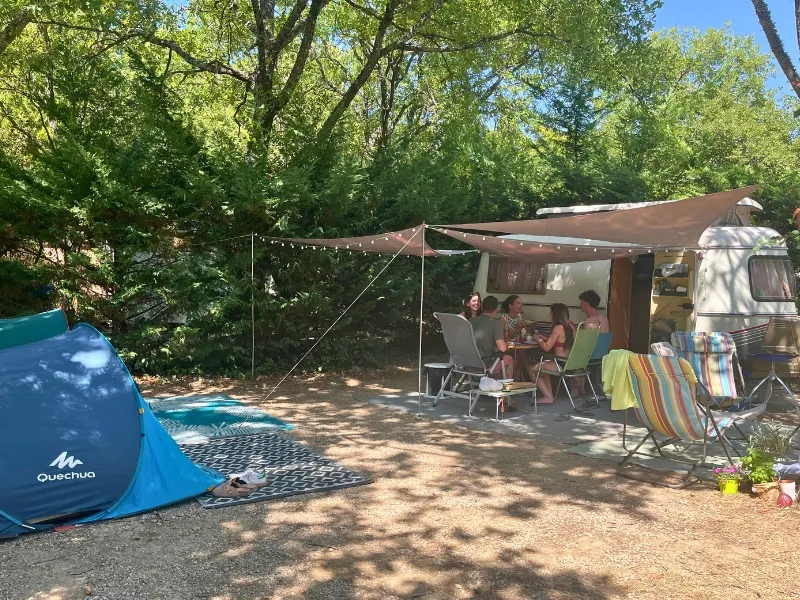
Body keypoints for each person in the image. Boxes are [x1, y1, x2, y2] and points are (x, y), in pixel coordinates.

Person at [470, 295, 517, 411]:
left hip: (468, 363)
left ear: (482, 307)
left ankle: (496, 389)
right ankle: (505, 396)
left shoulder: (471, 321)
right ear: (497, 309)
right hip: (483, 364)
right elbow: (502, 348)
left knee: (497, 358)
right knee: (508, 359)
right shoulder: (494, 323)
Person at [532, 303, 576, 405]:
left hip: (560, 363)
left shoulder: (558, 328)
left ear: (554, 314)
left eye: (550, 313)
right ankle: (549, 395)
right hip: (570, 363)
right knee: (543, 370)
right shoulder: (570, 325)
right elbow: (564, 340)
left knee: (532, 369)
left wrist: (538, 339)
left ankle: (548, 397)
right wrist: (547, 338)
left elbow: (546, 348)